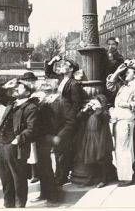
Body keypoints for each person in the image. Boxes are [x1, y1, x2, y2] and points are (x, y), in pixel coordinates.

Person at [0, 81, 38, 208]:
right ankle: (8, 204)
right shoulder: (11, 103)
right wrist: (5, 86)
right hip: (3, 144)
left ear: (28, 92)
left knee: (18, 177)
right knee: (5, 176)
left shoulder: (31, 107)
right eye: (16, 87)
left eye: (20, 87)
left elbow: (31, 128)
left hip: (16, 146)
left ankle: (19, 205)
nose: (16, 89)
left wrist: (18, 139)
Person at [45, 55, 85, 186]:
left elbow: (76, 104)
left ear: (71, 69)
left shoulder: (73, 84)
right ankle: (60, 175)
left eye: (64, 65)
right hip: (57, 119)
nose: (61, 66)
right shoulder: (61, 79)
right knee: (59, 149)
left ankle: (61, 176)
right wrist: (52, 61)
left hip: (67, 121)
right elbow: (49, 73)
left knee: (61, 147)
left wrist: (70, 119)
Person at [107, 65, 135, 186]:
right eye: (126, 72)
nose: (126, 74)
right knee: (121, 148)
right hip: (119, 120)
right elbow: (110, 86)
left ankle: (127, 177)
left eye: (129, 72)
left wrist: (127, 105)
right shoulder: (124, 86)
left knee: (124, 149)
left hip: (126, 120)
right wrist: (117, 71)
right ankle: (127, 174)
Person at [28, 79, 60, 205]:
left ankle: (53, 196)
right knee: (41, 167)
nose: (42, 90)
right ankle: (45, 193)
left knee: (46, 168)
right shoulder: (40, 101)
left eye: (44, 88)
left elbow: (53, 121)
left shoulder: (49, 102)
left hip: (45, 137)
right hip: (39, 137)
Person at [74, 94, 114, 188]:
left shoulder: (103, 113)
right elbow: (79, 117)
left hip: (99, 138)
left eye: (95, 102)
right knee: (89, 158)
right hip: (89, 137)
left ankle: (104, 180)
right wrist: (85, 109)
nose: (92, 104)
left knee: (101, 158)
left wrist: (98, 108)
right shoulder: (90, 112)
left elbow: (103, 117)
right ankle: (90, 178)